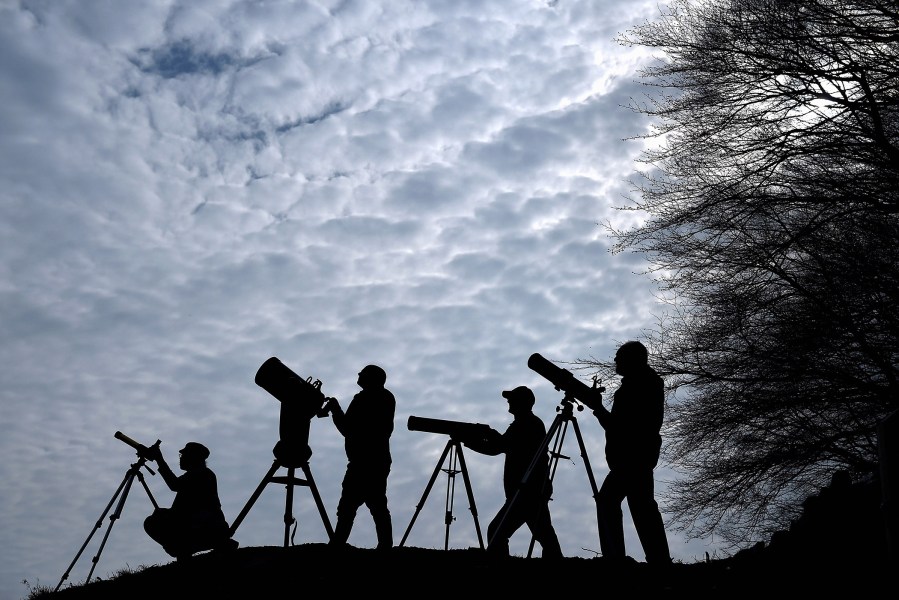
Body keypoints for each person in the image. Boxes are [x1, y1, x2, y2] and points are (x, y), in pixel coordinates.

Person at [587, 340, 672, 565]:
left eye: (619, 357)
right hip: (636, 457)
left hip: (632, 457)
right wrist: (600, 410)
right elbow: (619, 426)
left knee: (610, 501)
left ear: (631, 360)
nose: (615, 361)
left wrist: (598, 409)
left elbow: (621, 426)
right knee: (641, 506)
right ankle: (659, 561)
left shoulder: (641, 385)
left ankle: (616, 559)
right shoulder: (642, 383)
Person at [464, 385, 563, 559]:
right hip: (527, 490)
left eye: (512, 399)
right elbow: (501, 445)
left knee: (497, 531)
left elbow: (499, 446)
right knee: (545, 535)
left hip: (526, 491)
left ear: (522, 403)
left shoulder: (527, 423)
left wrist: (472, 441)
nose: (509, 401)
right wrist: (476, 440)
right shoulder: (524, 423)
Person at [325, 364, 396, 549]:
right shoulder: (386, 398)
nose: (358, 375)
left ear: (371, 378)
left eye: (362, 373)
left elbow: (347, 429)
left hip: (363, 462)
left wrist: (335, 409)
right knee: (376, 504)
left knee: (349, 506)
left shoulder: (364, 399)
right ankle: (385, 546)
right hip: (377, 460)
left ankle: (337, 545)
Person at [143, 441, 237, 561]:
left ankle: (183, 549)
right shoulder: (197, 475)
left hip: (206, 527)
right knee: (156, 519)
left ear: (193, 458)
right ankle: (183, 549)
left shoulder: (203, 475)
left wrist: (159, 459)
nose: (181, 459)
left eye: (184, 456)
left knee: (153, 522)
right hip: (199, 526)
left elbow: (174, 485)